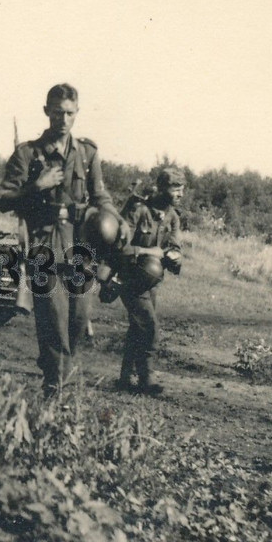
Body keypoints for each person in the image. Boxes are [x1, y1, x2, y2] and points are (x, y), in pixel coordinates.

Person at [0, 83, 128, 398]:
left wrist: (113, 217)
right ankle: (55, 388)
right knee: (54, 320)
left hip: (80, 247)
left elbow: (100, 194)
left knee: (78, 322)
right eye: (57, 113)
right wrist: (33, 187)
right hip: (44, 245)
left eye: (69, 113)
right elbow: (1, 197)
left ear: (77, 113)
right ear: (46, 112)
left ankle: (56, 368)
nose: (63, 120)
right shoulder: (28, 153)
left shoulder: (87, 153)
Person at [109, 167, 186, 395]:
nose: (180, 194)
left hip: (151, 281)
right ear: (162, 188)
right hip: (130, 278)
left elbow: (174, 245)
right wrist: (148, 251)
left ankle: (124, 377)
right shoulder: (138, 210)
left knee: (137, 326)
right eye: (176, 189)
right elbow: (119, 246)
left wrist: (174, 255)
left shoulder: (172, 216)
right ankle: (146, 377)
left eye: (182, 189)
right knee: (149, 326)